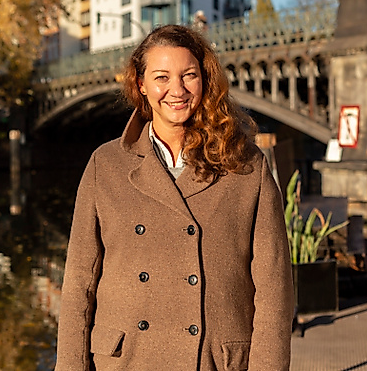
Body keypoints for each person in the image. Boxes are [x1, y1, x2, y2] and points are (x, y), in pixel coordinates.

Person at [55, 25, 293, 371]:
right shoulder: (104, 165)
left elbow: (274, 289)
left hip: (215, 361)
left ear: (205, 81)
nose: (176, 90)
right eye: (162, 77)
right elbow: (79, 282)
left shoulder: (245, 165)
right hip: (126, 360)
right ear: (142, 84)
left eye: (189, 76)